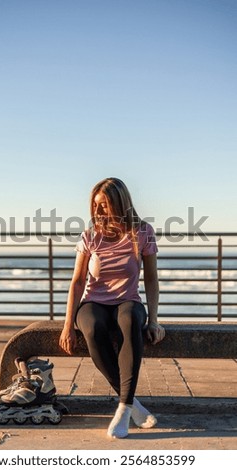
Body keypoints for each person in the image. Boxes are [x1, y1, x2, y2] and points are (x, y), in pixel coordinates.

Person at [59, 177, 165, 439]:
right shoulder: (90, 235)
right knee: (93, 328)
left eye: (104, 205)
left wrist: (153, 320)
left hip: (128, 301)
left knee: (130, 320)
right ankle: (132, 405)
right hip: (93, 302)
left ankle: (123, 409)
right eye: (96, 205)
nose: (98, 211)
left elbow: (151, 279)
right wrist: (67, 325)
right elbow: (78, 281)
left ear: (120, 203)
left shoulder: (142, 232)